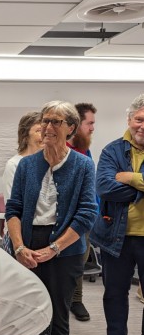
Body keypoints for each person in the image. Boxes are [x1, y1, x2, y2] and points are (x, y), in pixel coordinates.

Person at [6, 100, 97, 335]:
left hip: (66, 247)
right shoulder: (26, 165)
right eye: (45, 120)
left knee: (58, 313)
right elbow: (14, 208)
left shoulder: (83, 165)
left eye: (56, 121)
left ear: (70, 128)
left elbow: (86, 214)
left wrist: (54, 248)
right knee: (24, 311)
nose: (47, 127)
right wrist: (19, 247)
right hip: (28, 242)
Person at [91, 93, 144, 335]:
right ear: (129, 120)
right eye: (139, 119)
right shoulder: (112, 150)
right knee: (114, 292)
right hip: (115, 236)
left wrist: (131, 178)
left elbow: (118, 185)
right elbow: (105, 188)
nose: (142, 126)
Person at [67, 103, 97, 322]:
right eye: (90, 123)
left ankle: (76, 300)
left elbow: (92, 185)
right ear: (76, 125)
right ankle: (63, 300)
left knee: (80, 258)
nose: (93, 128)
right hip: (66, 217)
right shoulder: (62, 149)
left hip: (84, 216)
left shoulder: (85, 148)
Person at [2, 111, 43, 202]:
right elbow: (11, 203)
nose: (44, 136)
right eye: (39, 131)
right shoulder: (14, 164)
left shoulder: (50, 162)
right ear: (25, 136)